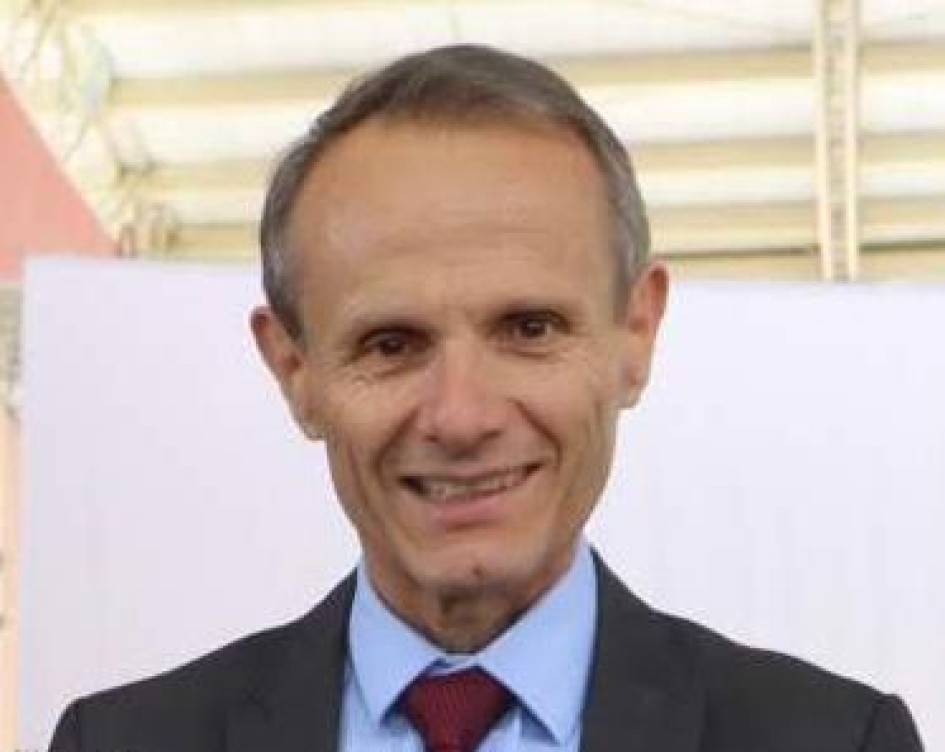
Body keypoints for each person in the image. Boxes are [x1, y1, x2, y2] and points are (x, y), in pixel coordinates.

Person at [50, 44, 923, 752]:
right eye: (390, 345)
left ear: (635, 335)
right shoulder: (121, 742)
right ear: (294, 372)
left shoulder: (835, 741)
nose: (461, 417)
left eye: (529, 329)